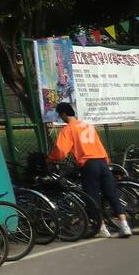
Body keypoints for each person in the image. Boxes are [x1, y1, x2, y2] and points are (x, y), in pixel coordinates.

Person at [48, 102, 132, 238]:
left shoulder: (68, 129)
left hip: (88, 164)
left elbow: (61, 151)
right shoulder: (88, 126)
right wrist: (106, 159)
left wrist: (50, 159)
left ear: (63, 114)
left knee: (92, 197)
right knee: (111, 193)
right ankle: (124, 224)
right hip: (102, 161)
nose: (60, 118)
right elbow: (98, 144)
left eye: (59, 115)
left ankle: (101, 228)